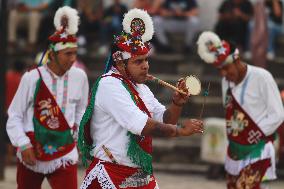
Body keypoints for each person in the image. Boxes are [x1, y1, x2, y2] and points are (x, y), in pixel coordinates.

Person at [78, 8, 204, 189]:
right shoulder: (109, 85)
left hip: (139, 174)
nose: (145, 66)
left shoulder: (142, 88)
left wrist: (177, 103)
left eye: (146, 60)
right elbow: (143, 126)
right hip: (111, 173)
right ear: (120, 63)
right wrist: (181, 130)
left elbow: (166, 119)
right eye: (138, 62)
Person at [6, 6, 89, 189]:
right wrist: (23, 144)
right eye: (68, 53)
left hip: (64, 150)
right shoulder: (31, 78)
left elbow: (82, 109)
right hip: (32, 147)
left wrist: (77, 133)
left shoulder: (80, 76)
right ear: (52, 54)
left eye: (75, 53)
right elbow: (14, 115)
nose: (73, 58)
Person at [197, 31, 284, 189]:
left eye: (226, 68)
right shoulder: (226, 83)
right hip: (235, 149)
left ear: (236, 60)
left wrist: (253, 134)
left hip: (258, 148)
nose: (223, 74)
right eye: (219, 70)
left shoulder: (262, 77)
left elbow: (278, 114)